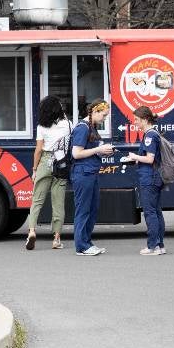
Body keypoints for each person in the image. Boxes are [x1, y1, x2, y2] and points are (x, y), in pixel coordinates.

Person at [24, 96, 70, 250]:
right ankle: (56, 238)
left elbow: (38, 151)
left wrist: (34, 170)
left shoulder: (42, 126)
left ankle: (31, 231)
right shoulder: (68, 124)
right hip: (61, 163)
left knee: (37, 199)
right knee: (58, 202)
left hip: (45, 161)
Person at [70, 99, 113, 256]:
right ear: (95, 111)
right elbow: (76, 153)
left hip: (89, 172)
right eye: (104, 115)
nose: (104, 118)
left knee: (92, 209)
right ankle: (81, 246)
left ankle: (86, 243)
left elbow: (86, 150)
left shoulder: (90, 127)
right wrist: (99, 149)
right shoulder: (83, 128)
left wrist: (100, 150)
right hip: (83, 173)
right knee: (84, 210)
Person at [128, 106, 166, 255]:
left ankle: (153, 246)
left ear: (145, 119)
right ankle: (160, 245)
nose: (135, 123)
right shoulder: (154, 133)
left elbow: (150, 159)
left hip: (149, 178)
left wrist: (134, 157)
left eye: (137, 120)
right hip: (154, 177)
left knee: (150, 212)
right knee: (156, 211)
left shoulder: (150, 135)